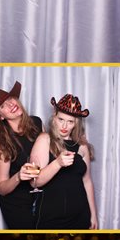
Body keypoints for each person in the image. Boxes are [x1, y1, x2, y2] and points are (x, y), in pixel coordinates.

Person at [30, 94, 98, 229]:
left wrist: (93, 214)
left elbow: (87, 181)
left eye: (70, 121)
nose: (65, 126)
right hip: (51, 218)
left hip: (81, 215)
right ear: (54, 117)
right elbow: (34, 182)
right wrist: (57, 163)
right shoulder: (44, 139)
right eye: (61, 119)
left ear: (76, 123)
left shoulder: (82, 146)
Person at [0, 81, 43, 229]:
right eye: (3, 106)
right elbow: (2, 188)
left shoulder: (37, 123)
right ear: (1, 116)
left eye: (10, 99)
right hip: (17, 203)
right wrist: (18, 177)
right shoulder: (2, 143)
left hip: (39, 194)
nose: (11, 104)